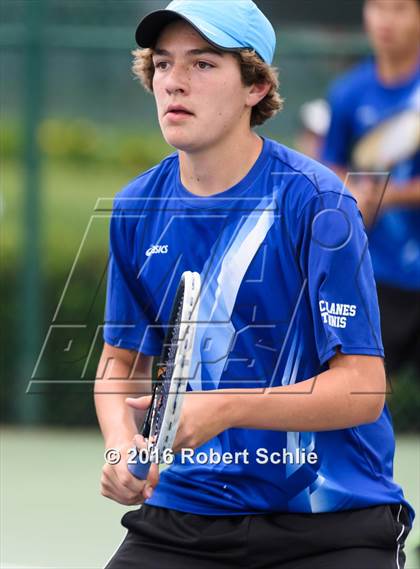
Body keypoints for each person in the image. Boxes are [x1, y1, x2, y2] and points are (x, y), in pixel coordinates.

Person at [94, 1, 414, 568]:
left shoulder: (318, 203)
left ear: (256, 86)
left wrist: (221, 408)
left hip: (329, 522)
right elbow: (119, 365)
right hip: (183, 516)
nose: (175, 83)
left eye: (203, 65)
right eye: (163, 65)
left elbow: (363, 390)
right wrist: (123, 445)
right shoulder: (135, 208)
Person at [322, 0, 420, 379]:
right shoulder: (349, 92)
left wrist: (388, 195)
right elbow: (333, 164)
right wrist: (353, 194)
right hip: (377, 275)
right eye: (377, 7)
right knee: (364, 398)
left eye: (398, 8)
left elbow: (384, 191)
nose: (385, 20)